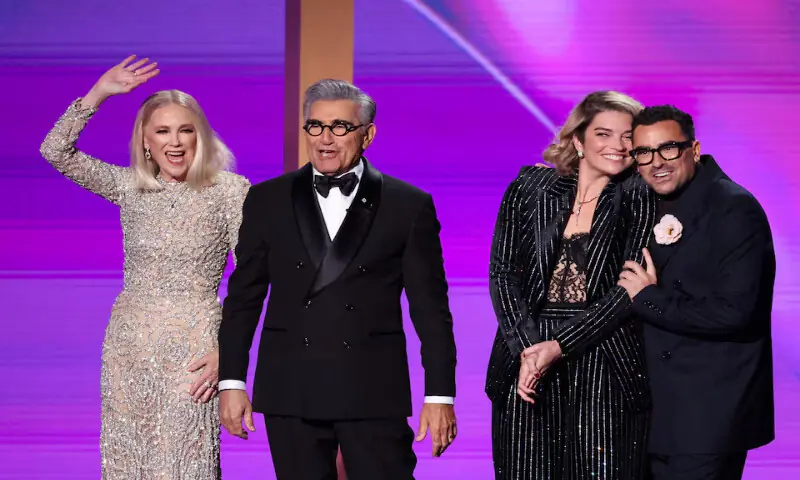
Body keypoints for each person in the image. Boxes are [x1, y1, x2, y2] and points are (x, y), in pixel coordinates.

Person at [217, 79, 458, 479]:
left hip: (373, 389)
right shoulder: (267, 199)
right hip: (291, 386)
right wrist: (231, 381)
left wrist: (439, 394)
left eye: (340, 127)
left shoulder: (408, 205)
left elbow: (431, 310)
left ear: (368, 134)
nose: (325, 139)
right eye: (315, 126)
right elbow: (243, 299)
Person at [39, 55, 251, 479]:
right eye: (163, 131)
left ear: (201, 137)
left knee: (185, 466)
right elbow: (55, 150)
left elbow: (251, 280)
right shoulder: (129, 187)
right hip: (129, 349)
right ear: (146, 142)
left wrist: (226, 353)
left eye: (185, 130)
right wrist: (98, 94)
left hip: (193, 350)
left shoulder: (229, 191)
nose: (175, 142)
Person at [487, 91, 657, 479]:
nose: (618, 146)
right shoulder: (531, 187)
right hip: (524, 351)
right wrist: (530, 349)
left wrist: (559, 346)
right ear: (578, 140)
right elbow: (503, 273)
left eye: (628, 136)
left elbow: (625, 293)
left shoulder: (640, 196)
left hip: (603, 354)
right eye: (604, 134)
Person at [619, 105, 775, 480]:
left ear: (694, 149)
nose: (657, 162)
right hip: (648, 414)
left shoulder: (733, 209)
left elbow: (735, 312)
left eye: (668, 148)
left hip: (707, 417)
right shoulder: (638, 203)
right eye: (644, 152)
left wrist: (648, 298)